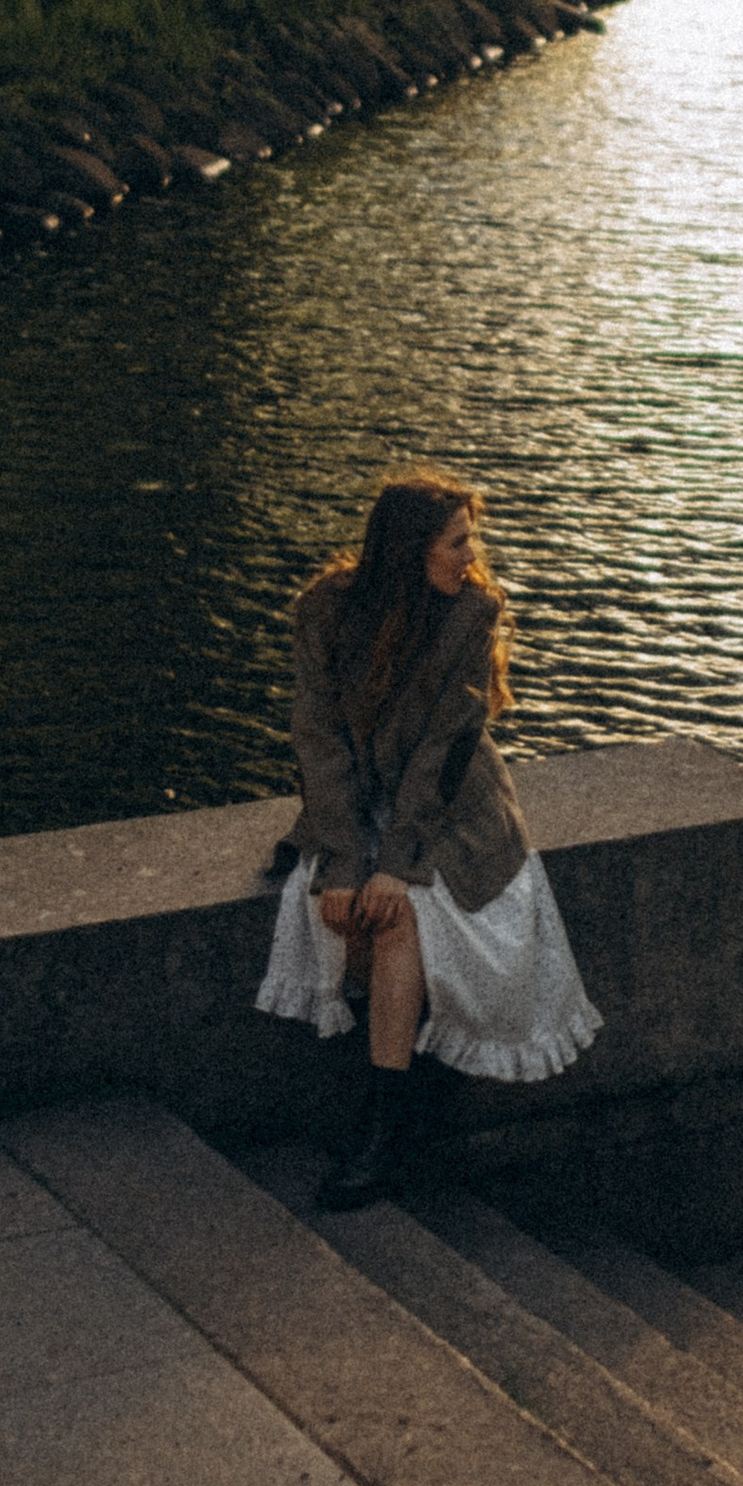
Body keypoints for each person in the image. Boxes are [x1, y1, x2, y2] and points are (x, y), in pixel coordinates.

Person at [256, 474, 600, 1210]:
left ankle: (385, 1128)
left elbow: (445, 753)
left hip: (453, 811)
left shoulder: (471, 614)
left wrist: (397, 866)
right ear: (410, 550)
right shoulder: (325, 611)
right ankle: (400, 1098)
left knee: (401, 912)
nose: (471, 555)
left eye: (470, 539)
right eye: (456, 540)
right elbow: (318, 744)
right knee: (345, 906)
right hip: (360, 803)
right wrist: (346, 862)